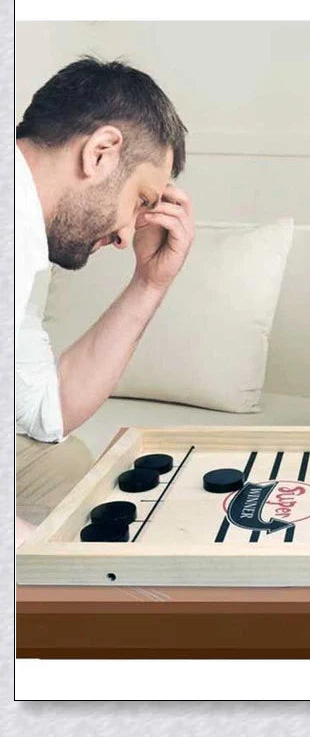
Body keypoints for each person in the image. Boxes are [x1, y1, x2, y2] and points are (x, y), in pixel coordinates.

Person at [15, 57, 195, 543]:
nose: (125, 236)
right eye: (141, 199)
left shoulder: (26, 241)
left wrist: (149, 283)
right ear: (100, 152)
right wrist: (45, 559)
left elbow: (44, 413)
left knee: (67, 462)